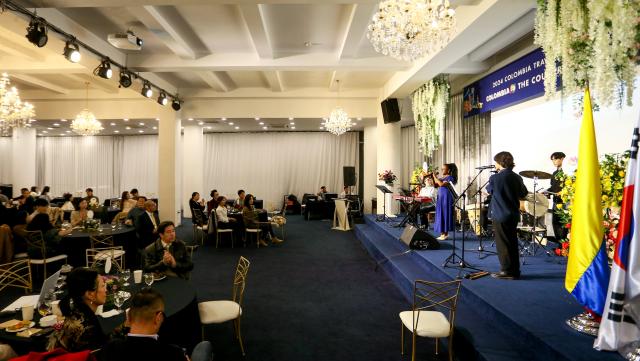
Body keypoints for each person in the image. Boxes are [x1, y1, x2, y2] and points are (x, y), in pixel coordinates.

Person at [99, 288, 213, 361]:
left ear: (128, 317)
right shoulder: (173, 353)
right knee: (204, 347)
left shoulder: (110, 349)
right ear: (158, 318)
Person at [487, 151, 528, 280]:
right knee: (512, 242)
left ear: (499, 163)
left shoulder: (495, 178)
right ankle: (515, 270)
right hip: (513, 214)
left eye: (495, 162)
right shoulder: (517, 177)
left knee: (503, 244)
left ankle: (506, 271)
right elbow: (523, 193)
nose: (495, 164)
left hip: (500, 214)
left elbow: (489, 190)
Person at [48, 268, 107, 352]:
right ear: (90, 294)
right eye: (103, 286)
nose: (106, 290)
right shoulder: (86, 328)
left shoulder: (76, 312)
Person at [431, 163, 458, 240]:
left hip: (446, 198)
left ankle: (445, 233)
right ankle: (442, 233)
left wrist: (435, 177)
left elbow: (442, 185)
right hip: (441, 198)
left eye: (444, 168)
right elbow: (435, 185)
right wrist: (433, 178)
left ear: (448, 170)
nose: (442, 170)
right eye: (442, 168)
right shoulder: (442, 177)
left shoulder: (450, 178)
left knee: (445, 214)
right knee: (440, 214)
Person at [547, 151, 567, 242]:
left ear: (562, 159)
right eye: (552, 160)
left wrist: (562, 192)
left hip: (565, 202)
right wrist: (547, 191)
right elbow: (553, 187)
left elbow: (570, 186)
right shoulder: (554, 173)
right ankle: (559, 243)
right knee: (555, 222)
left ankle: (563, 244)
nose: (554, 162)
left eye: (555, 159)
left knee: (563, 223)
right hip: (556, 201)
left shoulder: (567, 172)